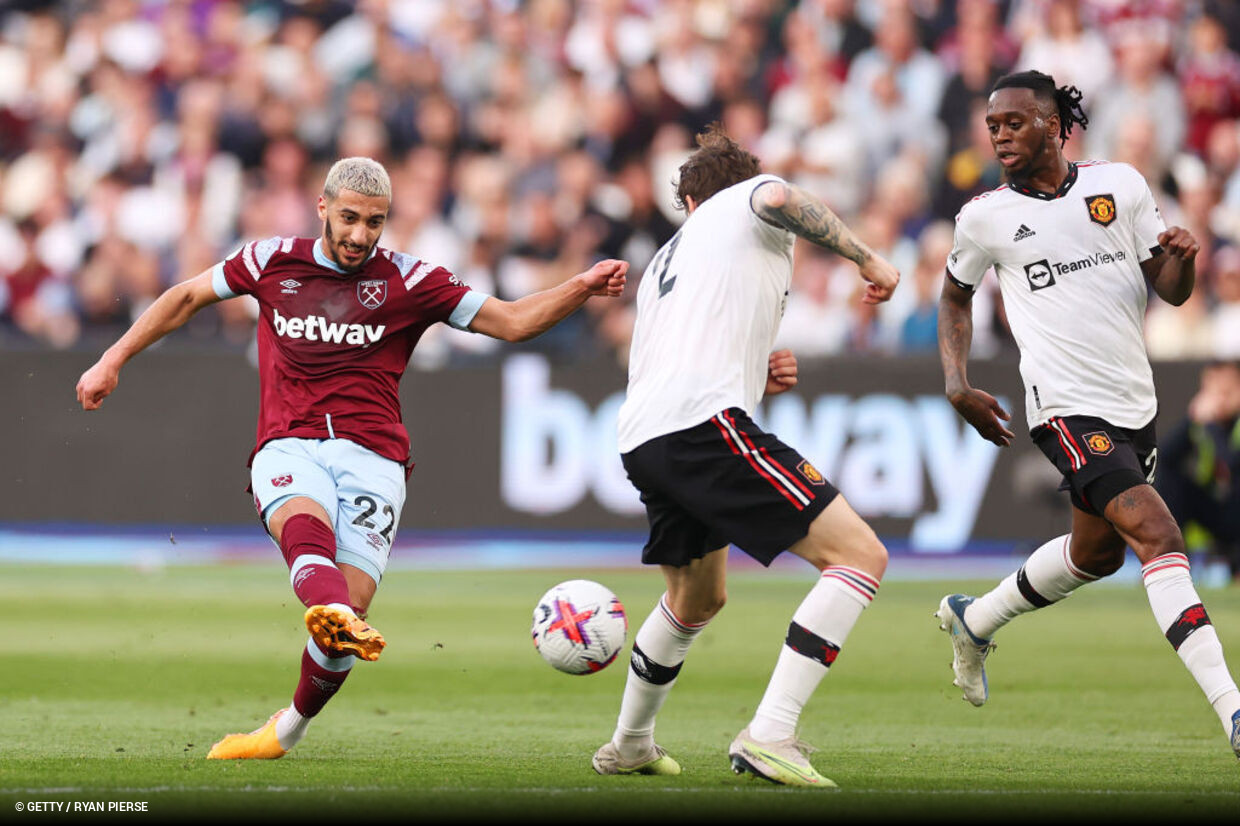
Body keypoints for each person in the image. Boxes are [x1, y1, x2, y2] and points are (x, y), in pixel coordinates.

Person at [75, 157, 628, 759]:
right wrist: (113, 358)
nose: (360, 235)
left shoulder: (412, 280)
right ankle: (326, 610)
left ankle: (285, 731)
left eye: (374, 222)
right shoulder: (270, 261)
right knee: (311, 545)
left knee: (346, 616)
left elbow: (514, 322)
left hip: (374, 457)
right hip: (288, 441)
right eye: (348, 219)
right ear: (322, 208)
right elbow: (185, 298)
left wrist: (581, 285)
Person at [935, 70, 1240, 759]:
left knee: (1095, 554)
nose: (1000, 136)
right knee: (1158, 535)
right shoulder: (984, 216)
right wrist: (957, 384)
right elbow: (954, 297)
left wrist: (1183, 262)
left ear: (1053, 123)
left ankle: (973, 619)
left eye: (1014, 122)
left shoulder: (1121, 186)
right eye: (993, 127)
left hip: (1133, 402)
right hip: (1062, 408)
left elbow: (1170, 289)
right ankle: (1233, 710)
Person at [591, 124, 900, 787]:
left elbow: (684, 350)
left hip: (644, 435)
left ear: (689, 205)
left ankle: (630, 744)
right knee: (860, 555)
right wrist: (867, 258)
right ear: (723, 196)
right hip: (701, 425)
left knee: (696, 597)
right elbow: (782, 197)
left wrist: (758, 371)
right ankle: (771, 733)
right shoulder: (746, 200)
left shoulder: (669, 263)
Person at [1156, 360, 1240, 582]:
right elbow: (1165, 457)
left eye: (1225, 391)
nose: (1217, 400)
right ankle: (1170, 563)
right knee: (1170, 478)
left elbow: (1231, 464)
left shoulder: (1216, 426)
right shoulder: (1203, 423)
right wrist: (1190, 420)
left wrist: (1211, 426)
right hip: (1219, 510)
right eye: (1209, 391)